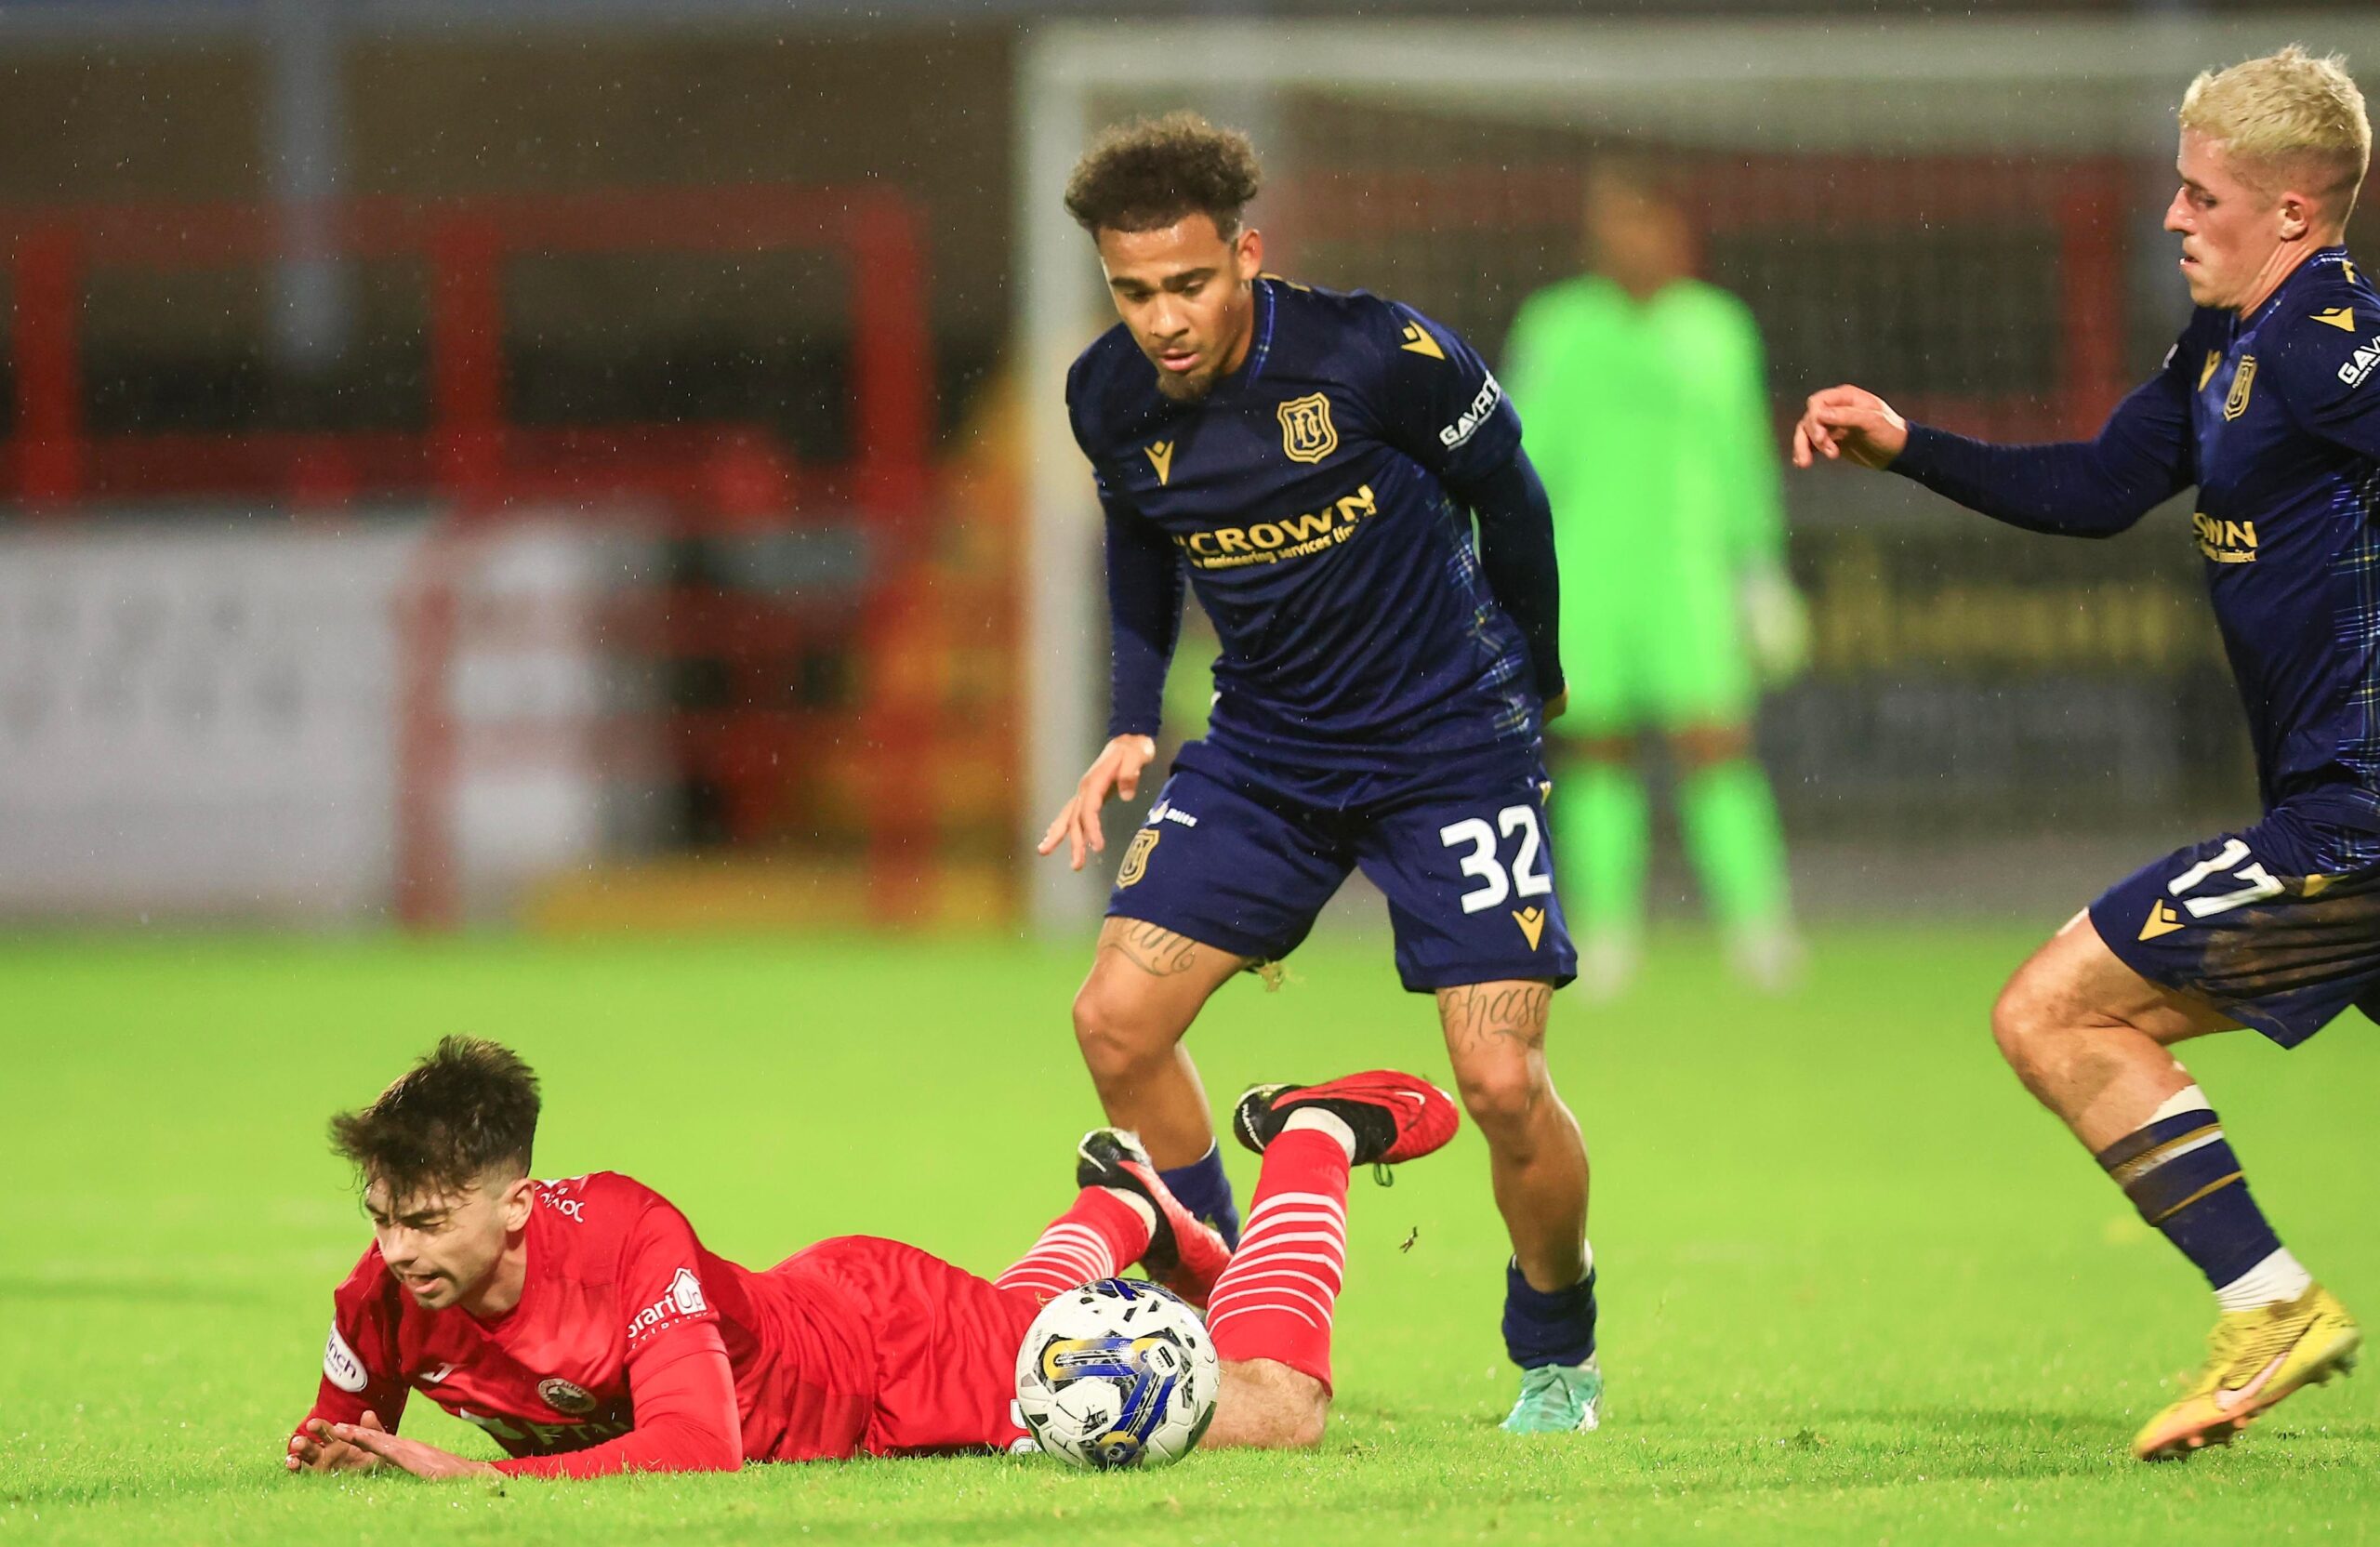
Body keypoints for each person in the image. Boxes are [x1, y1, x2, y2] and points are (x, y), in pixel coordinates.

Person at [1792, 45, 2370, 1461]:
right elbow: (2100, 488)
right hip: (2328, 793)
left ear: (2292, 213)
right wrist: (1908, 443)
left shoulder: (2326, 337)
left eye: (2200, 194)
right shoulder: (2230, 342)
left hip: (2359, 813)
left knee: (2055, 1009)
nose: (2172, 218)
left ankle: (2271, 1300)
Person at [1036, 112, 1602, 1435]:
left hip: (1450, 745)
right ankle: (1222, 1295)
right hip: (1272, 756)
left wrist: (1540, 673)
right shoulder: (1105, 396)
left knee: (1504, 1081)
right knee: (1113, 1019)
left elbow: (1511, 499)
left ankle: (1557, 1345)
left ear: (1247, 254)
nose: (1164, 320)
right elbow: (1140, 551)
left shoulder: (1373, 355)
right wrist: (1130, 715)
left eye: (1189, 284)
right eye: (1134, 293)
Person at [284, 1036, 1458, 1477]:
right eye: (383, 1217)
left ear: (519, 1203)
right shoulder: (384, 1294)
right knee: (1024, 1326)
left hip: (889, 1358)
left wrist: (485, 1480)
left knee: (1280, 1411)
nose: (398, 1251)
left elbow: (699, 1448)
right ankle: (1123, 1210)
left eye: (427, 1222)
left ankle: (1316, 1132)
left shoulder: (631, 1237)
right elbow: (335, 1440)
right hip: (829, 1310)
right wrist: (342, 1455)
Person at [1501, 161, 1806, 998]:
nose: (1627, 238)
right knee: (1596, 749)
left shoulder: (1717, 329)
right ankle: (1604, 933)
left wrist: (1759, 573)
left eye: (1643, 219)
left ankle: (1758, 926)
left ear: (1677, 228)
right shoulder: (1558, 327)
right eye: (1613, 222)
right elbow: (1520, 459)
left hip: (1689, 574)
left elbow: (1744, 457)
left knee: (1715, 742)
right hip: (1588, 577)